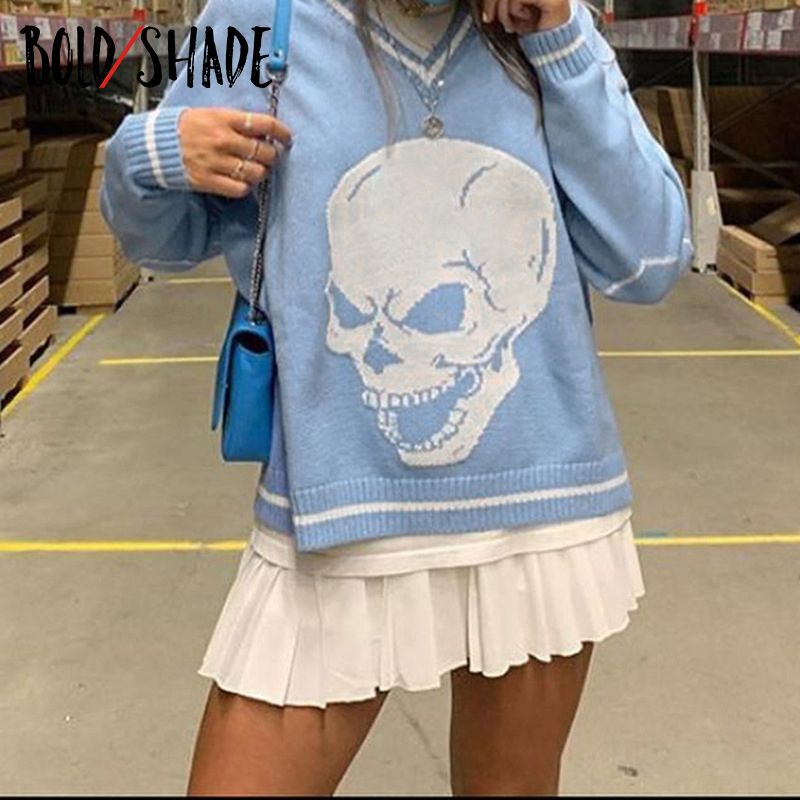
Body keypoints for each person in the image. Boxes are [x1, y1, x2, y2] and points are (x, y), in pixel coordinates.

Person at [101, 0, 693, 794]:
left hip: (537, 513)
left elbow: (650, 260)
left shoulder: (545, 24)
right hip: (336, 513)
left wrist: (559, 39)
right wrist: (148, 152)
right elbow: (163, 244)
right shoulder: (251, 21)